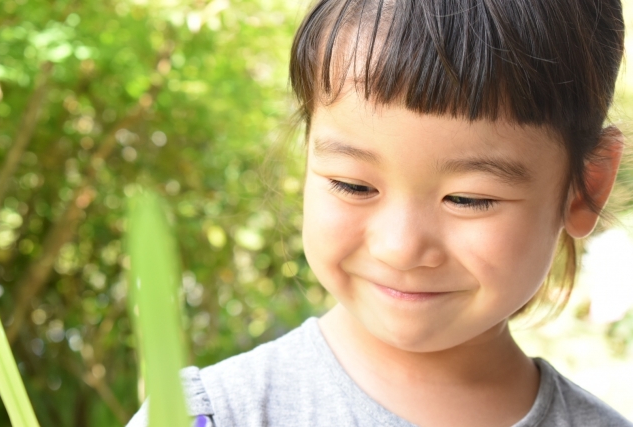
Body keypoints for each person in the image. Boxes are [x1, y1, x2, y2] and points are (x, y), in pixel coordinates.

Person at [127, 0, 633, 426]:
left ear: (584, 187)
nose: (400, 246)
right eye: (353, 185)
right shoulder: (210, 416)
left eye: (468, 198)